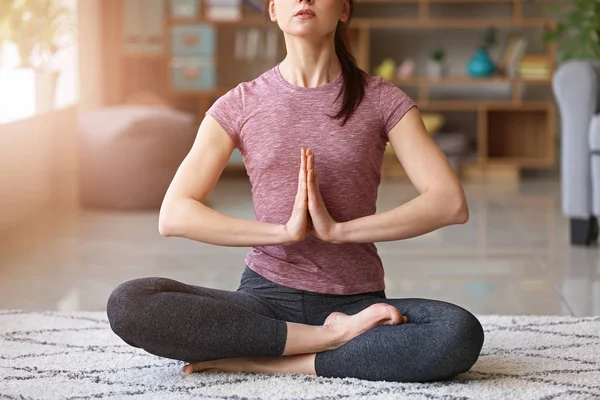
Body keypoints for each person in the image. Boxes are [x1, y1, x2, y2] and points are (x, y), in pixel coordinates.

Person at [106, 0, 485, 383]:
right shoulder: (240, 103)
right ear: (272, 9)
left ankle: (269, 358)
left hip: (357, 303)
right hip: (265, 301)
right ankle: (330, 340)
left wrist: (339, 231)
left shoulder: (382, 100)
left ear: (343, 10)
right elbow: (175, 214)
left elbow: (449, 203)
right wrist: (282, 232)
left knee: (457, 332)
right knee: (130, 302)